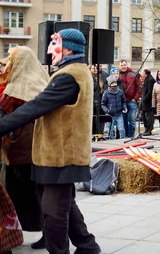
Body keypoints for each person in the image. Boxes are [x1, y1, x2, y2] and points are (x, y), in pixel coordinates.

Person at [0, 28, 101, 254]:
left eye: (55, 43)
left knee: (53, 212)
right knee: (67, 206)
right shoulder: (73, 71)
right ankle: (88, 247)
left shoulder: (68, 76)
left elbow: (35, 107)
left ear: (69, 48)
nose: (49, 50)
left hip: (62, 156)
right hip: (60, 155)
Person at [0, 46, 47, 244]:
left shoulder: (22, 86)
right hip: (21, 147)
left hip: (27, 147)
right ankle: (15, 233)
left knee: (36, 193)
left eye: (11, 59)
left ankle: (47, 232)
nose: (7, 63)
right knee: (19, 193)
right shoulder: (17, 82)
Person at [118, 59, 141, 138]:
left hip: (132, 100)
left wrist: (135, 98)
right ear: (119, 66)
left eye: (124, 65)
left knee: (131, 119)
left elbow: (139, 87)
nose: (123, 66)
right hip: (122, 101)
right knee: (123, 120)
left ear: (127, 65)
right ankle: (125, 136)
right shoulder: (117, 75)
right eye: (122, 65)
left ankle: (131, 136)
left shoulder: (133, 74)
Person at [101, 75, 127, 140]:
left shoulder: (120, 92)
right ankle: (112, 142)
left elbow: (124, 101)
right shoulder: (106, 93)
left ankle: (122, 140)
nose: (114, 84)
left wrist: (124, 107)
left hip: (119, 114)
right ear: (110, 84)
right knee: (110, 131)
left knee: (121, 129)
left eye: (115, 82)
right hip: (110, 115)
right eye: (112, 83)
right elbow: (103, 104)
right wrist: (107, 111)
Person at [140, 69, 156, 135]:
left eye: (141, 72)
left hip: (148, 103)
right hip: (144, 102)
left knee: (149, 117)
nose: (140, 73)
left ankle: (149, 130)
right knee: (143, 116)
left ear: (145, 73)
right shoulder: (146, 79)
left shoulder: (150, 80)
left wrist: (144, 98)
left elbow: (150, 92)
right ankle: (146, 129)